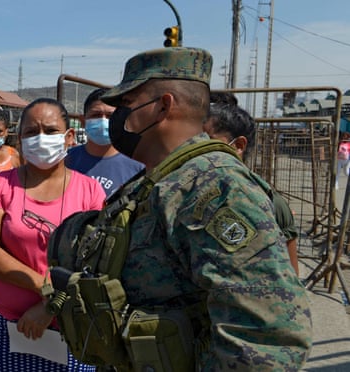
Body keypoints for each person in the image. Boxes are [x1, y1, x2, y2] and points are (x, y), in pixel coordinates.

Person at [100, 47, 312, 370]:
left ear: (162, 106)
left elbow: (268, 338)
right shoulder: (160, 179)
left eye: (128, 105)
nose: (119, 118)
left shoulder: (215, 187)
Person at [0, 98, 106, 371]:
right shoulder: (1, 185)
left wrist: (50, 308)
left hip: (72, 324)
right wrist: (44, 287)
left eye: (50, 130)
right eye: (31, 132)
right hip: (7, 322)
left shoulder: (91, 191)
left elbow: (96, 263)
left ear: (69, 137)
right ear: (20, 139)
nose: (41, 138)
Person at [204, 95, 301, 275]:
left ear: (239, 145)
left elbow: (291, 276)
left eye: (206, 140)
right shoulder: (188, 193)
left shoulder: (271, 202)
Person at [65, 88, 144, 197]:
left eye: (110, 116)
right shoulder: (65, 160)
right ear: (83, 121)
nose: (103, 121)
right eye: (96, 115)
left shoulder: (138, 167)